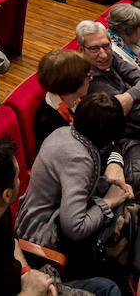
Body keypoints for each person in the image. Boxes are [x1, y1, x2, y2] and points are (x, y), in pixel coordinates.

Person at [0, 137, 118, 296]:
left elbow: (11, 240)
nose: (21, 180)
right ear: (6, 195)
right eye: (18, 176)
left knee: (107, 287)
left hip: (20, 281)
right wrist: (30, 291)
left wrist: (27, 272)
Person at [16, 93, 128, 277]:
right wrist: (109, 201)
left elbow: (77, 185)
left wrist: (110, 183)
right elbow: (75, 228)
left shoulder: (66, 132)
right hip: (42, 237)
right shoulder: (79, 158)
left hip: (42, 218)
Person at [77, 19, 140, 139]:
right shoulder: (88, 79)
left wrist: (129, 96)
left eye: (106, 45)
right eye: (94, 49)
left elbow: (136, 75)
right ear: (81, 50)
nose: (104, 55)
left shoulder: (109, 54)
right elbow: (133, 113)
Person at [34, 49, 92, 147]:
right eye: (87, 76)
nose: (91, 79)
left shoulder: (75, 98)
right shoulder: (49, 123)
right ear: (73, 83)